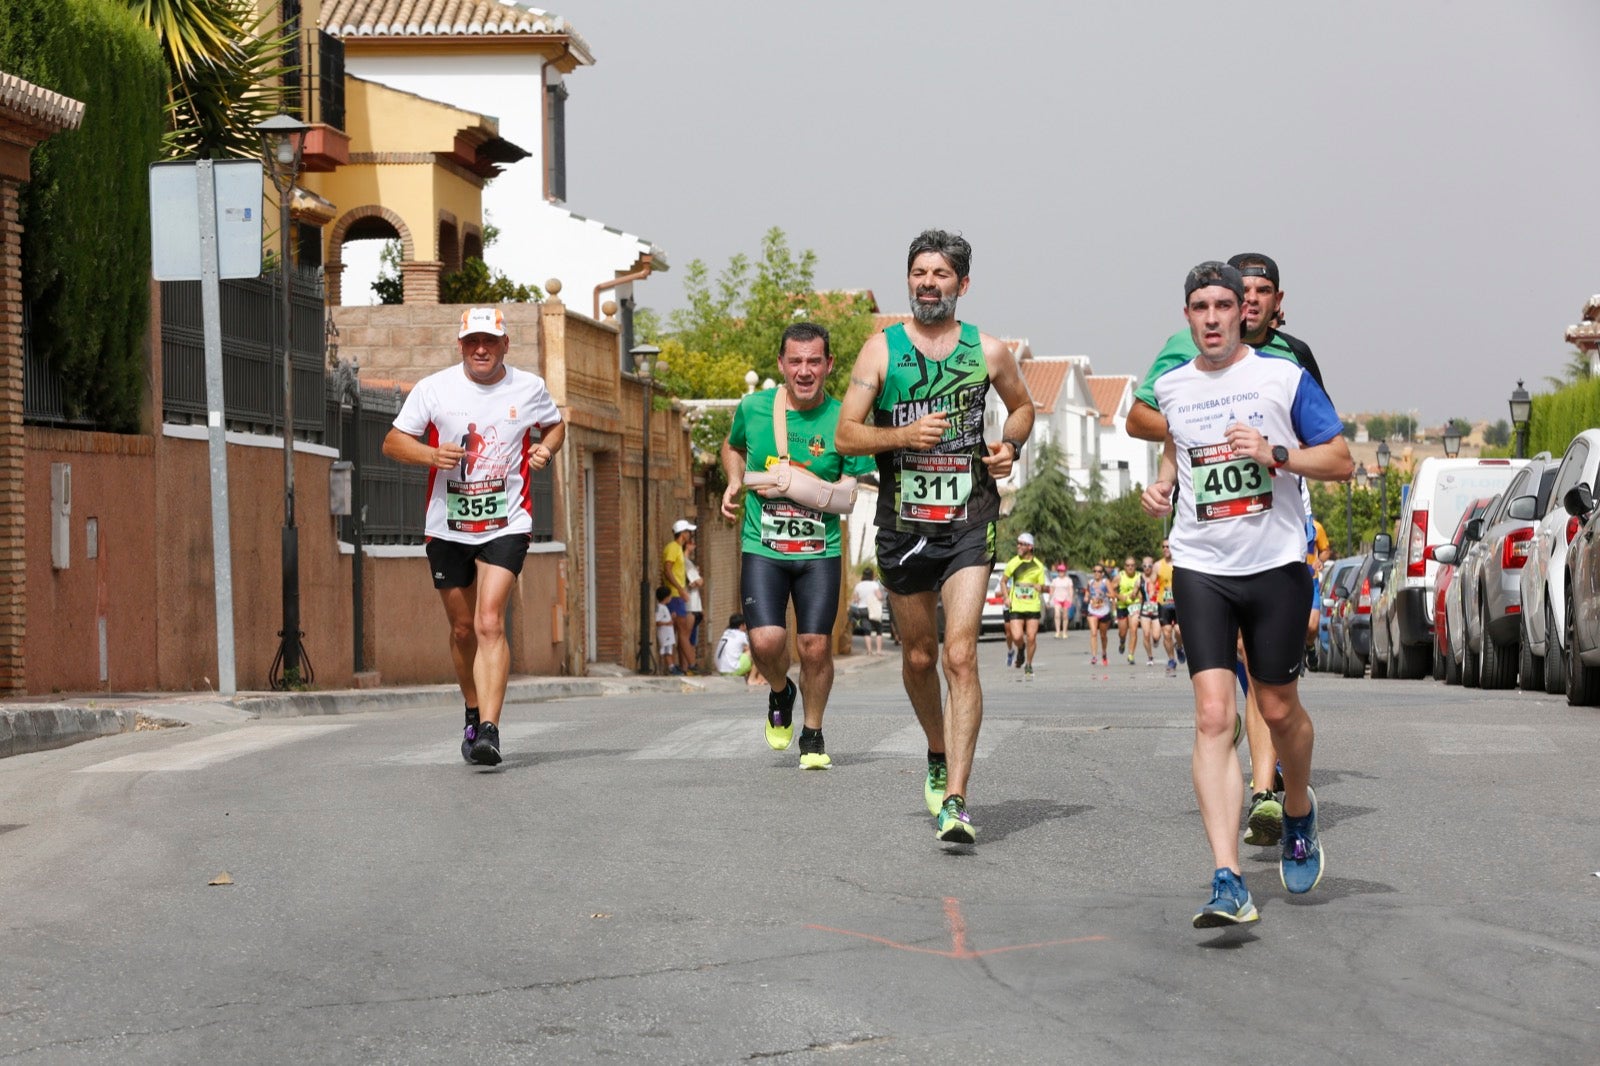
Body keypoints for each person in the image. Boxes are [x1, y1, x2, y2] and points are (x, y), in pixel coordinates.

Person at [1140, 261, 1351, 928]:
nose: (1210, 317)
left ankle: (1297, 810)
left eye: (1222, 306)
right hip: (1201, 565)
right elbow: (1179, 451)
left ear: (1245, 313)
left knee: (1277, 706)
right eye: (1198, 306)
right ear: (1187, 317)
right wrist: (1163, 485)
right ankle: (1227, 876)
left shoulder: (1283, 378)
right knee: (1211, 715)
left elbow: (1342, 460)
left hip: (1275, 563)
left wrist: (1275, 454)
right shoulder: (1171, 389)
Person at [836, 228, 1035, 844]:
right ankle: (935, 746)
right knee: (919, 655)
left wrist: (1009, 445)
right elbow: (846, 435)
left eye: (940, 274)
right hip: (903, 523)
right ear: (909, 281)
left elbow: (1024, 408)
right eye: (919, 273)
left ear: (962, 285)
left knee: (959, 653)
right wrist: (901, 436)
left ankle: (956, 799)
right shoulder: (879, 350)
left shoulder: (990, 351)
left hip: (971, 518)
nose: (928, 283)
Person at [382, 306, 565, 767]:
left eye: (489, 341)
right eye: (471, 342)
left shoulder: (528, 388)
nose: (480, 349)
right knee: (463, 629)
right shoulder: (434, 389)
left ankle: (490, 730)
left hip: (507, 521)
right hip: (449, 525)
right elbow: (391, 442)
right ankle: (471, 705)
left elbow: (555, 423)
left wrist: (545, 447)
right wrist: (429, 454)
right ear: (460, 345)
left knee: (488, 621)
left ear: (505, 344)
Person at [720, 322, 875, 770]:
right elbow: (733, 448)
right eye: (795, 361)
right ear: (781, 365)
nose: (804, 371)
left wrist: (799, 486)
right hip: (763, 546)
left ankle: (812, 732)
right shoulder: (754, 407)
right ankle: (779, 690)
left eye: (814, 361)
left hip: (819, 551)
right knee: (767, 641)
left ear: (828, 365)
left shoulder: (845, 418)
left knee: (814, 646)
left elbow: (850, 491)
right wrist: (735, 479)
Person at [1002, 533, 1047, 679]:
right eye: (1018, 543)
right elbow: (1003, 581)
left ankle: (1028, 664)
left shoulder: (1038, 566)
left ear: (1030, 547)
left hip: (1033, 605)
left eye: (1022, 544)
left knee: (1032, 637)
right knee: (1016, 636)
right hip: (1016, 605)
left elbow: (1043, 586)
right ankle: (1020, 648)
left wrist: (1039, 587)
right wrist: (1006, 598)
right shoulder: (1013, 562)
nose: (1018, 546)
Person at [660, 520, 696, 676]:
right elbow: (667, 570)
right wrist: (681, 590)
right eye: (688, 532)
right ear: (682, 533)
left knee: (678, 630)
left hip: (678, 595)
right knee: (681, 630)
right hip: (675, 595)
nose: (690, 535)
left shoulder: (678, 550)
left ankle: (684, 665)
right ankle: (691, 664)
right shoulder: (672, 548)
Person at [1157, 538, 1184, 673]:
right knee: (1166, 633)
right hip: (1163, 604)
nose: (1165, 549)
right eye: (1163, 547)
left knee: (1179, 631)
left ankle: (1179, 647)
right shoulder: (1158, 565)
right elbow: (1150, 580)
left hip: (1179, 603)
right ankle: (1171, 660)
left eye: (1167, 546)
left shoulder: (1180, 563)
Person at [852, 566, 887, 656]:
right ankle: (878, 651)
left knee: (867, 631)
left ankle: (869, 651)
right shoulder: (874, 585)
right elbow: (879, 597)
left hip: (862, 609)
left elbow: (856, 599)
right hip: (873, 609)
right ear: (871, 575)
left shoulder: (858, 585)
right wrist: (881, 599)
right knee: (879, 630)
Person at [1115, 556, 1141, 664]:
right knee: (1122, 632)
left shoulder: (1139, 576)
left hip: (1134, 606)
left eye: (1132, 565)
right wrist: (1119, 596)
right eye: (1128, 565)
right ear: (1124, 567)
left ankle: (1131, 654)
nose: (1130, 567)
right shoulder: (1119, 576)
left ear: (1135, 566)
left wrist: (1139, 596)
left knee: (1133, 629)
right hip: (1122, 606)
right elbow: (1110, 589)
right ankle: (1122, 642)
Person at [1085, 564, 1112, 665]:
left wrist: (1104, 594)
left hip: (1104, 611)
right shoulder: (1090, 582)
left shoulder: (1106, 582)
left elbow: (1113, 594)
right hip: (1092, 610)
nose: (1096, 573)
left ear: (1103, 573)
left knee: (1103, 635)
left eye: (1099, 571)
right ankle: (1094, 656)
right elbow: (1087, 592)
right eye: (1095, 571)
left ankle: (1104, 652)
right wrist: (1086, 597)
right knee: (1093, 633)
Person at [685, 539, 705, 672]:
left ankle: (689, 667)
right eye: (692, 542)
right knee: (687, 637)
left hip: (695, 606)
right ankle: (689, 666)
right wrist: (697, 577)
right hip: (690, 606)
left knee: (692, 638)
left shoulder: (689, 563)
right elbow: (699, 582)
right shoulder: (685, 562)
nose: (695, 545)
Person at [1138, 558, 1162, 666]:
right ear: (1142, 567)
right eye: (1145, 566)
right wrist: (1133, 595)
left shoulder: (1158, 578)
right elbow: (1135, 593)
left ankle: (1156, 641)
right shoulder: (1139, 580)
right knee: (1146, 634)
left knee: (1156, 636)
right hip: (1145, 611)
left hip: (1157, 610)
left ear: (1153, 567)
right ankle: (1150, 657)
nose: (1147, 568)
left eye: (1149, 566)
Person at [714, 613, 754, 677]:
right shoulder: (741, 635)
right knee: (755, 651)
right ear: (741, 625)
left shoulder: (726, 633)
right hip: (732, 670)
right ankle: (753, 679)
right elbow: (753, 648)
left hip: (721, 670)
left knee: (743, 650)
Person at [1049, 563, 1074, 639]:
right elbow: (1052, 590)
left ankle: (1064, 632)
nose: (1061, 572)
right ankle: (1057, 631)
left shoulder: (1068, 580)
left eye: (1062, 571)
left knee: (1065, 616)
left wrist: (1071, 598)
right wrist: (1049, 599)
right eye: (1059, 571)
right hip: (1057, 599)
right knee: (1057, 614)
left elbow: (1070, 589)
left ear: (1065, 571)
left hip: (1066, 599)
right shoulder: (1055, 580)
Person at [655, 586, 676, 673]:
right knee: (667, 652)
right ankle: (671, 668)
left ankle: (667, 668)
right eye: (670, 596)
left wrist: (671, 618)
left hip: (668, 634)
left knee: (668, 650)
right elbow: (657, 622)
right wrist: (667, 623)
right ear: (666, 597)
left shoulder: (664, 607)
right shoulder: (660, 608)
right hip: (665, 634)